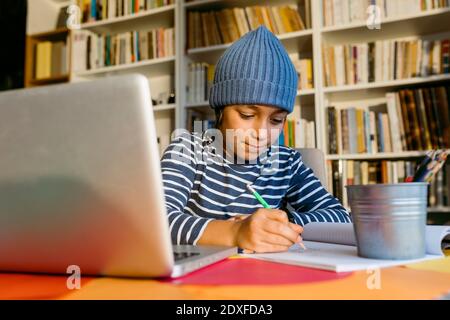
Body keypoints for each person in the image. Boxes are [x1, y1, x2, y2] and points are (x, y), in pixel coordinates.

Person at [161, 26, 351, 253]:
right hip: (196, 281)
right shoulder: (187, 150)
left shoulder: (286, 163)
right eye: (247, 115)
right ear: (220, 110)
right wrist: (235, 232)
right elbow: (156, 221)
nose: (262, 133)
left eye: (276, 120)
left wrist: (281, 221)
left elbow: (340, 217)